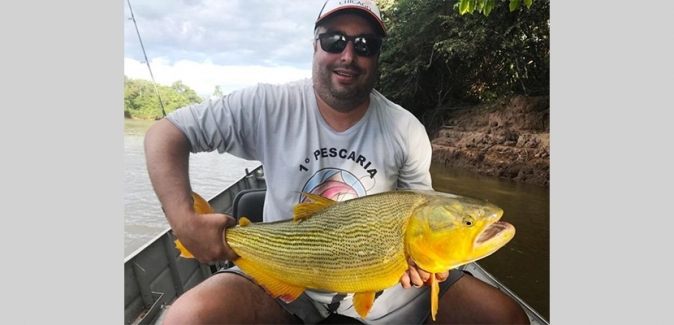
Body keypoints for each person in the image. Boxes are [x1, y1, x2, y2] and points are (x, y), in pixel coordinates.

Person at [144, 0, 529, 324]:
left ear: (378, 54)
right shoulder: (269, 106)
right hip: (282, 270)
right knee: (186, 317)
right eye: (334, 40)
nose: (348, 54)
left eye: (365, 44)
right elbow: (165, 133)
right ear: (315, 46)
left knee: (505, 317)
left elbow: (424, 222)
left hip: (387, 285)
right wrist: (184, 220)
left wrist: (431, 265)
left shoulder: (405, 128)